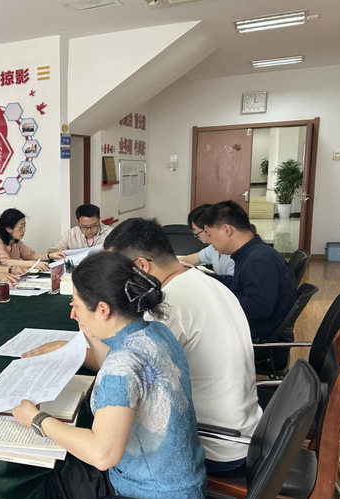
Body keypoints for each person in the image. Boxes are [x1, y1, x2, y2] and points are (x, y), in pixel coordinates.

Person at [12, 252, 205, 499]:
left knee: (50, 492)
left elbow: (103, 454)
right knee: (70, 470)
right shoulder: (155, 332)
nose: (72, 313)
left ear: (103, 309)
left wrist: (37, 418)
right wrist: (78, 341)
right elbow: (117, 365)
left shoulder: (121, 367)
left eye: (76, 305)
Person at [104, 218, 261, 474]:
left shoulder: (166, 305)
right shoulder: (204, 279)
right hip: (246, 429)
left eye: (117, 274)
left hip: (214, 443)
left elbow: (128, 372)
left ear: (142, 266)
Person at [198, 200, 296, 343]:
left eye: (209, 234)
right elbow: (239, 285)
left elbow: (257, 309)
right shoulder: (251, 253)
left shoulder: (259, 261)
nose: (208, 242)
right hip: (250, 330)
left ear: (227, 230)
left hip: (256, 340)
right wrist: (207, 278)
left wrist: (215, 302)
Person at [0, 208, 65, 270]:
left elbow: (30, 255)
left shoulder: (15, 241)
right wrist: (34, 264)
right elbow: (5, 262)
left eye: (24, 226)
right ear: (8, 229)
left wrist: (50, 256)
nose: (24, 230)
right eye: (21, 227)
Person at [177, 204, 235, 276]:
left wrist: (201, 274)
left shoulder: (234, 253)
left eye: (197, 231)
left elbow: (230, 281)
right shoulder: (214, 247)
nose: (196, 235)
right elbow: (198, 257)